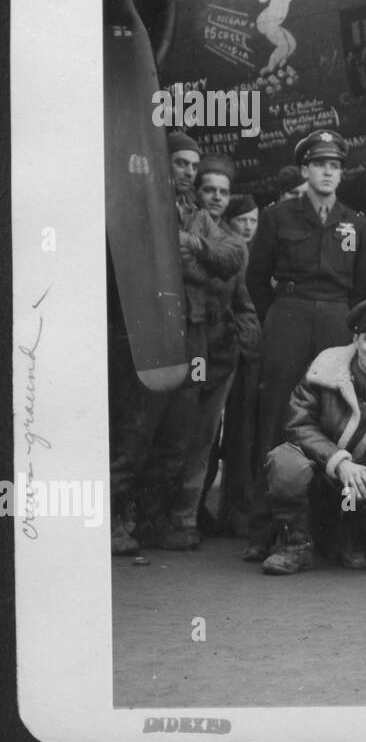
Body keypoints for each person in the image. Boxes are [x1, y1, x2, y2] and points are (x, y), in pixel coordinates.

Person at [109, 132, 246, 554]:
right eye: (180, 163)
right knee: (136, 434)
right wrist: (196, 263)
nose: (188, 171)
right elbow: (152, 266)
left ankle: (152, 522)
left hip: (195, 334)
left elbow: (231, 259)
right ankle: (115, 522)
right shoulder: (140, 207)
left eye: (193, 165)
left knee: (177, 436)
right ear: (161, 162)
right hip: (152, 332)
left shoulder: (198, 215)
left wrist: (189, 247)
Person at [245, 130, 366, 559]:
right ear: (305, 170)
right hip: (290, 317)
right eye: (320, 165)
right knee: (277, 416)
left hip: (337, 322)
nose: (328, 172)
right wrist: (279, 319)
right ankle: (266, 531)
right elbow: (256, 278)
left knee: (335, 421)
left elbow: (364, 288)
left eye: (335, 166)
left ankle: (335, 529)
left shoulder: (356, 223)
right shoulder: (279, 216)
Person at [261, 297, 366, 575]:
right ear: (356, 338)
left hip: (362, 484)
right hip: (318, 472)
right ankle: (295, 545)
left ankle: (352, 535)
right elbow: (298, 424)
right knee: (286, 462)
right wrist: (339, 462)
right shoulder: (324, 370)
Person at [188, 157, 260, 539]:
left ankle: (192, 513)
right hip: (186, 343)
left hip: (220, 349)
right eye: (209, 189)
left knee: (207, 434)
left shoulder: (234, 245)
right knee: (182, 430)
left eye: (223, 192)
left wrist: (248, 346)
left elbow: (243, 302)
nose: (216, 197)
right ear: (197, 191)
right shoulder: (184, 226)